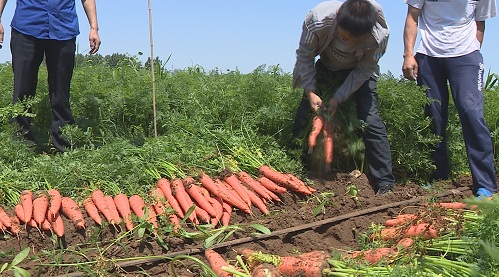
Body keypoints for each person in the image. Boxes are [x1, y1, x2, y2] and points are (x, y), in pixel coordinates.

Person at [292, 0, 395, 195]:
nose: (348, 44)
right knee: (303, 118)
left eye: (355, 41)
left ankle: (384, 182)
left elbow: (366, 68)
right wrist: (311, 92)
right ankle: (297, 170)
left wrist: (339, 97)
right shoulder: (317, 20)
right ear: (338, 18)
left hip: (360, 72)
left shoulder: (379, 36)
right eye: (345, 37)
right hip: (326, 67)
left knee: (371, 120)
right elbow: (305, 56)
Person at [402, 0, 498, 198]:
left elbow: (480, 23)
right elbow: (413, 16)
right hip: (429, 55)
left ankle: (485, 184)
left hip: (466, 56)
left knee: (471, 112)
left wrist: (472, 51)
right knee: (433, 117)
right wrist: (408, 55)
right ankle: (438, 177)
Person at [0, 0, 101, 153]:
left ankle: (64, 145)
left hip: (63, 28)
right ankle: (22, 145)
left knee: (61, 91)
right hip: (27, 26)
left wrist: (94, 28)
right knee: (22, 89)